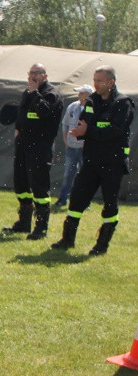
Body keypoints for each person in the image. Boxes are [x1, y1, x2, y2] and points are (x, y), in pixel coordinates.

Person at [51, 66, 135, 255]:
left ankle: (102, 245)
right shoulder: (91, 101)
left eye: (99, 81)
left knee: (109, 204)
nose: (95, 84)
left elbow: (115, 130)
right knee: (77, 198)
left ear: (111, 82)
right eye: (94, 80)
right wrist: (83, 131)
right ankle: (67, 239)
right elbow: (84, 122)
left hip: (112, 163)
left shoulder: (123, 104)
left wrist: (89, 131)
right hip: (91, 160)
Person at [2, 63, 63, 240]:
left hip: (40, 147)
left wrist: (35, 92)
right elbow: (22, 115)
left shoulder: (52, 94)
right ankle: (24, 223)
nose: (33, 76)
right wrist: (17, 131)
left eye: (37, 73)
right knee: (21, 184)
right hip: (23, 144)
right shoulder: (27, 92)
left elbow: (43, 111)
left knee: (39, 186)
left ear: (45, 76)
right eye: (31, 73)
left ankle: (41, 227)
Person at [54, 84, 93, 207]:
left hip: (85, 148)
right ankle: (63, 199)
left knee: (85, 176)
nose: (79, 95)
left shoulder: (94, 108)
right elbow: (65, 124)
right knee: (68, 174)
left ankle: (85, 202)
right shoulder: (72, 106)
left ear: (88, 95)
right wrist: (65, 139)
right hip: (71, 147)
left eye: (82, 93)